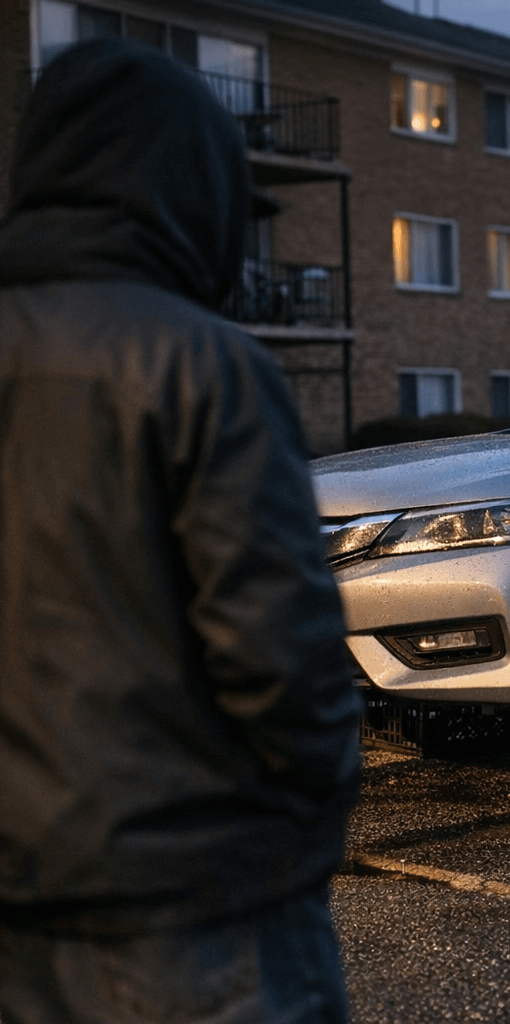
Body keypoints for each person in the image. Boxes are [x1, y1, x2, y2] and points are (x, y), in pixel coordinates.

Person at [0, 39, 361, 1024]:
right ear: (185, 192)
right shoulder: (198, 364)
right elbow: (281, 656)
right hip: (189, 903)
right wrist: (307, 824)